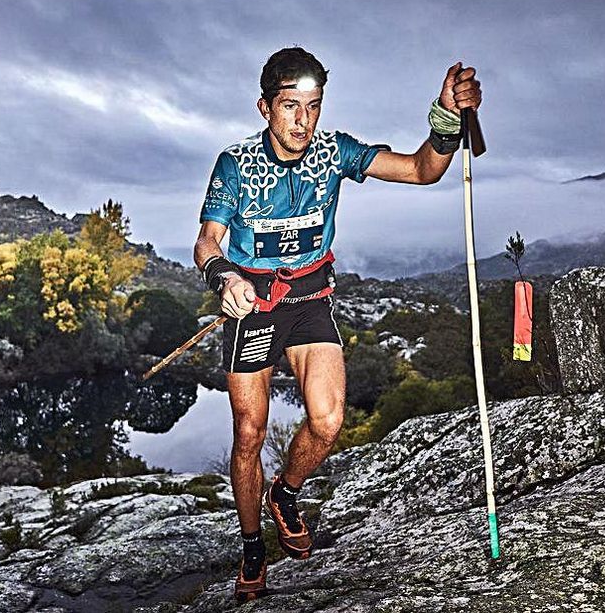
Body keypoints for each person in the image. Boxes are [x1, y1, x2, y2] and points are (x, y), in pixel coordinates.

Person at [192, 47, 482, 602]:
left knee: (327, 422)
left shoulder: (333, 152)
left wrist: (446, 121)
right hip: (253, 303)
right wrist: (225, 279)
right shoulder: (235, 164)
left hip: (309, 300)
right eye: (289, 106)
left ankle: (285, 492)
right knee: (249, 433)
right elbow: (207, 241)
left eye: (313, 106)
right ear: (264, 108)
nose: (303, 121)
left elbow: (422, 170)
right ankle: (253, 546)